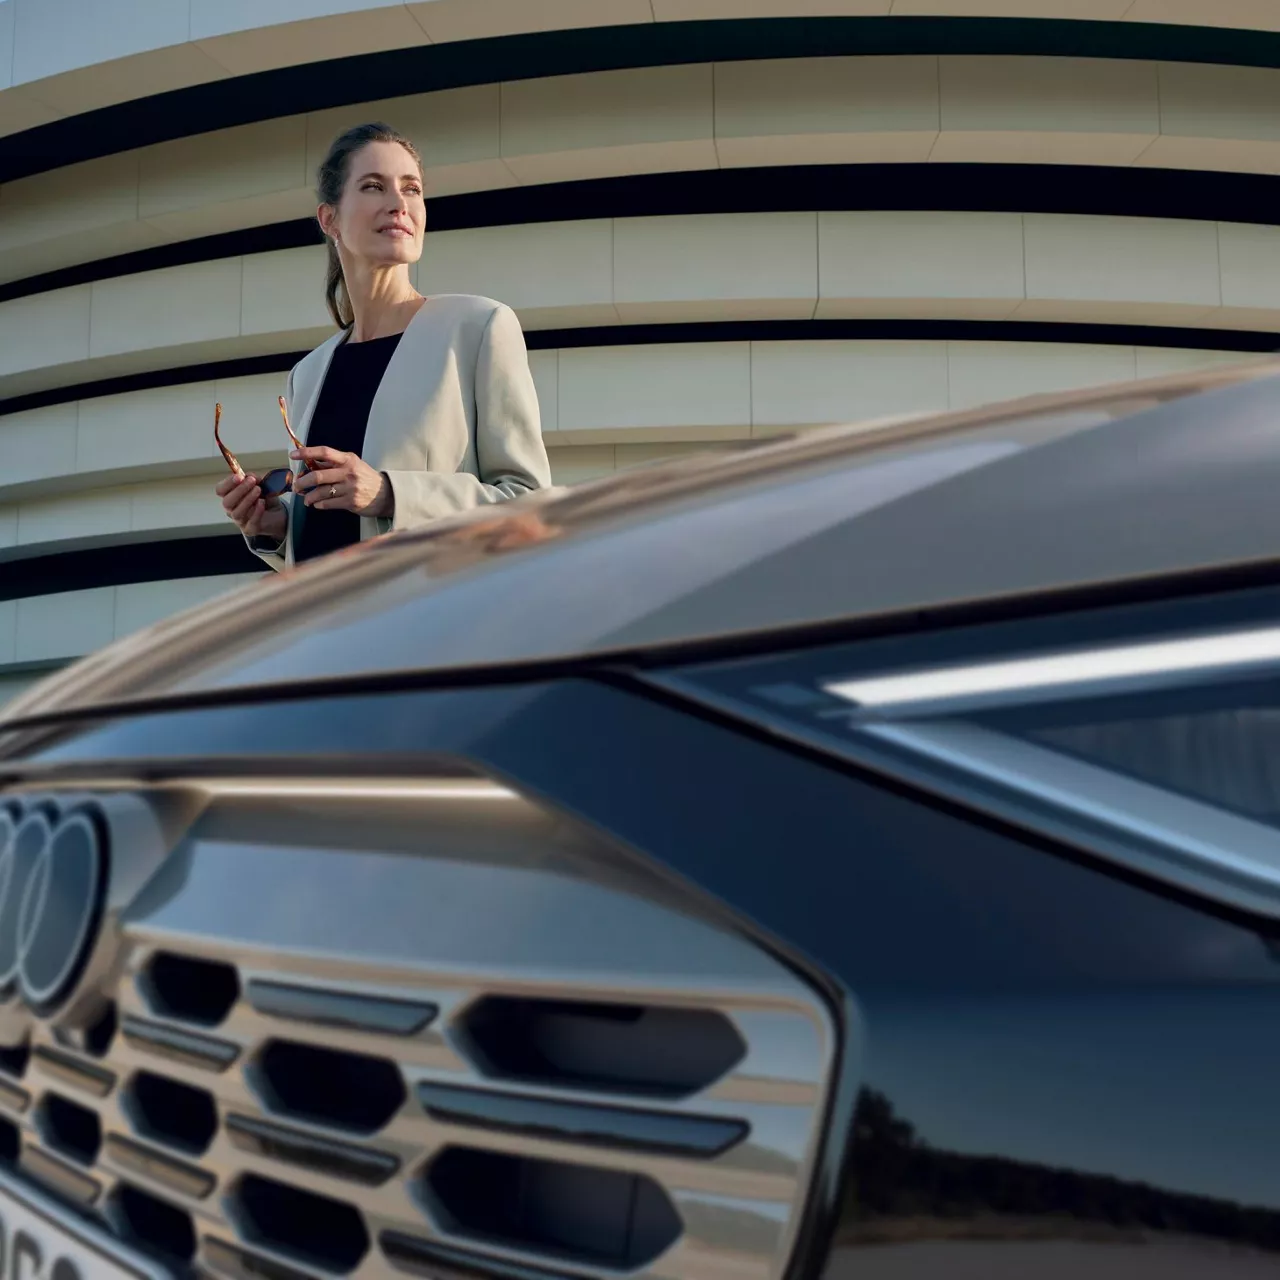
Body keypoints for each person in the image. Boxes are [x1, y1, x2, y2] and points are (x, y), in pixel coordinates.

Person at [215, 121, 551, 570]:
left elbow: (531, 506)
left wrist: (390, 493)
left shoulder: (478, 327)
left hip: (437, 627)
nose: (398, 204)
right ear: (328, 218)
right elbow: (328, 536)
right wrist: (274, 527)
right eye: (374, 186)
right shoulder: (308, 374)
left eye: (411, 189)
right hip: (330, 628)